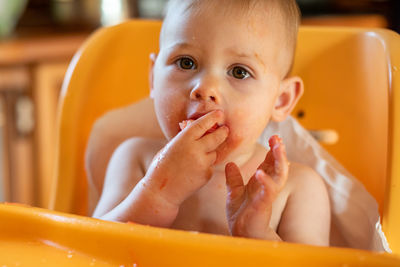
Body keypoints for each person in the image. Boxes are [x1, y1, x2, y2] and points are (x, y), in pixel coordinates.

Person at [90, 0, 330, 245]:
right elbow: (90, 250)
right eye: (186, 63)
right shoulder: (136, 161)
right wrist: (155, 195)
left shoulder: (296, 188)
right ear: (154, 77)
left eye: (239, 71)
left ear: (281, 100)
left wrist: (258, 234)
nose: (205, 89)